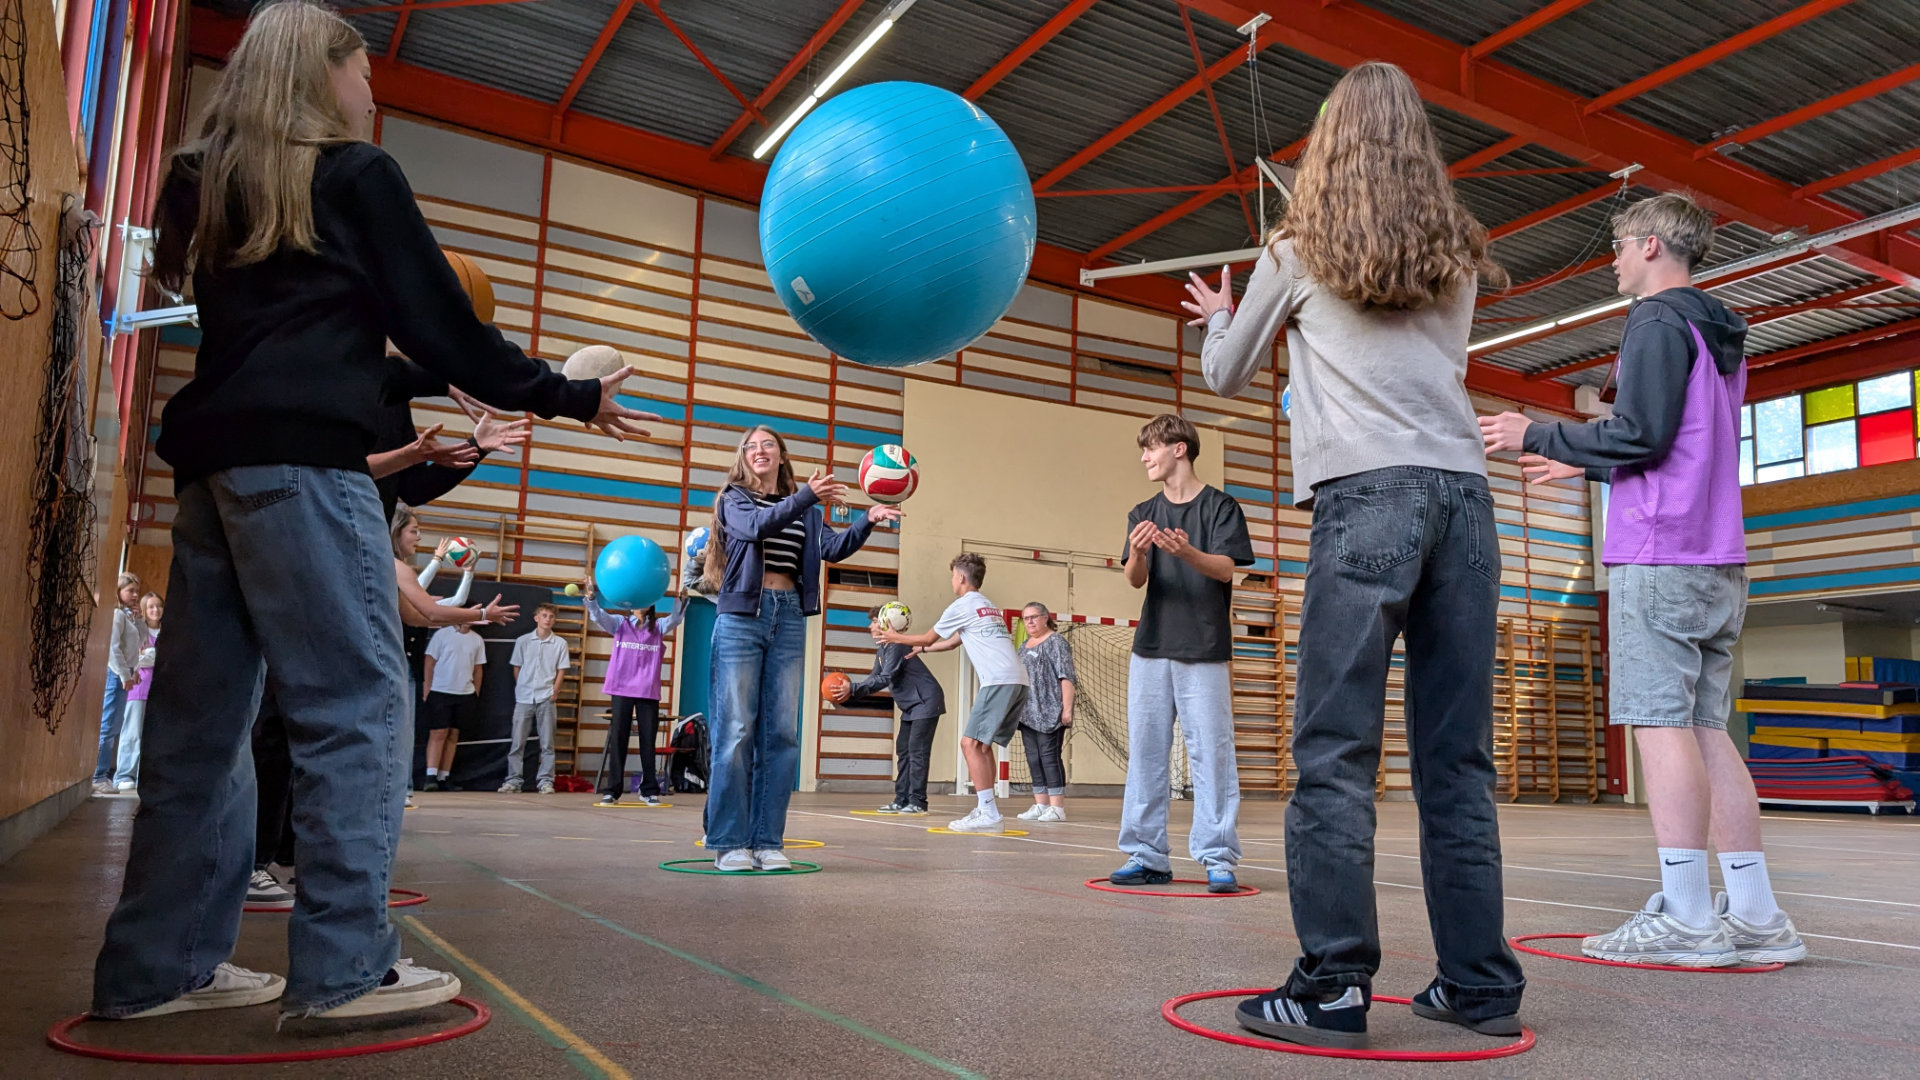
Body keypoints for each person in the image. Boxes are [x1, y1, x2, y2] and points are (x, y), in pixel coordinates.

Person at [92, 1, 650, 1025]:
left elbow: (316, 342)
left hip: (214, 475)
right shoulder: (354, 175)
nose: (370, 94)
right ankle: (345, 968)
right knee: (359, 709)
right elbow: (446, 324)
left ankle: (154, 971)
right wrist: (568, 394)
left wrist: (451, 382)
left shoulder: (213, 182)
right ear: (326, 74)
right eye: (366, 76)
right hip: (307, 474)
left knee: (197, 730)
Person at [1192, 61, 1525, 1048]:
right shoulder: (1457, 254)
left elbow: (1225, 373)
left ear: (1328, 143)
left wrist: (1222, 317)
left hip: (1366, 500)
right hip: (1464, 502)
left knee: (1335, 752)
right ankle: (1479, 986)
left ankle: (1334, 986)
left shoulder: (1297, 249)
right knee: (1457, 761)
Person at [1480, 193, 1803, 967]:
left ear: (1652, 245)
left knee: (1660, 724)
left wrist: (1537, 432)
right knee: (1705, 729)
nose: (1615, 261)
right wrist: (1588, 462)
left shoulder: (1656, 319)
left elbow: (1644, 435)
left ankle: (1688, 915)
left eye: (1621, 247)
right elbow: (1678, 446)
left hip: (1660, 557)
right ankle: (1756, 914)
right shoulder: (1719, 332)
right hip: (1716, 556)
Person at [701, 425, 897, 871]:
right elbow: (755, 527)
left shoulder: (803, 509)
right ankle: (730, 843)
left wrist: (867, 519)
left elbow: (832, 547)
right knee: (736, 731)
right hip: (741, 618)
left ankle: (767, 841)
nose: (759, 450)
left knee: (782, 735)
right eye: (751, 446)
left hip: (788, 615)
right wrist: (807, 495)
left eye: (768, 444)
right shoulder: (734, 499)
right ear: (743, 458)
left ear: (781, 455)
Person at [1105, 415, 1252, 893]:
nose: (1144, 457)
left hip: (1204, 648)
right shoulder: (1142, 512)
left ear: (1179, 449)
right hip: (1151, 648)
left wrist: (1187, 553)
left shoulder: (1221, 507)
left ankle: (1218, 857)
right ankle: (1146, 855)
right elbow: (1135, 580)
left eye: (1151, 448)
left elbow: (1226, 570)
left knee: (1211, 753)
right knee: (1147, 754)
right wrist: (1138, 553)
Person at [878, 553, 1028, 835]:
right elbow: (951, 643)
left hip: (998, 680)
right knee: (982, 746)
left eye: (952, 576)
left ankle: (988, 812)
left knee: (969, 744)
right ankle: (987, 809)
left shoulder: (962, 605)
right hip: (1018, 680)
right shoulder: (987, 606)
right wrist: (922, 650)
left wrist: (895, 637)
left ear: (960, 577)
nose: (951, 581)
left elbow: (929, 636)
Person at [833, 604, 946, 816]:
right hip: (912, 706)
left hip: (926, 702)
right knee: (904, 751)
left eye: (875, 621)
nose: (870, 626)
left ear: (888, 623)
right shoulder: (883, 649)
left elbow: (885, 678)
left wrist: (852, 688)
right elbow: (873, 678)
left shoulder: (897, 646)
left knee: (917, 752)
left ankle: (918, 802)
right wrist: (849, 695)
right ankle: (901, 800)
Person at [584, 583, 684, 805]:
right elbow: (598, 616)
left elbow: (676, 619)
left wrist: (680, 600)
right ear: (630, 605)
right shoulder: (619, 624)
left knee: (648, 741)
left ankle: (649, 790)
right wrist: (591, 598)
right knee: (619, 739)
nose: (641, 604)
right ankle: (613, 790)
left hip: (647, 691)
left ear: (650, 604)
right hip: (621, 689)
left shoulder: (658, 627)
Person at [1014, 602, 1075, 823]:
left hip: (1051, 711)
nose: (1030, 621)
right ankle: (1041, 804)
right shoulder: (1024, 646)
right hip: (1027, 713)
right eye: (1026, 618)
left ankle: (1057, 807)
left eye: (1034, 617)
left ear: (1045, 618)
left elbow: (1066, 676)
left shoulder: (1056, 642)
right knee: (1033, 758)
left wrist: (1067, 709)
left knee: (1049, 757)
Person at [501, 603, 570, 794]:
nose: (548, 619)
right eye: (544, 615)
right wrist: (521, 686)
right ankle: (514, 780)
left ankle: (545, 781)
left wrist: (555, 690)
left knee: (547, 743)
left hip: (546, 696)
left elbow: (561, 670)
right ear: (536, 618)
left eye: (551, 616)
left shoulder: (560, 644)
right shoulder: (523, 641)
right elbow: (517, 666)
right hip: (524, 697)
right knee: (518, 741)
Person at [92, 573, 144, 795]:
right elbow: (112, 649)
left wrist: (139, 619)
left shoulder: (129, 616)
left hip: (127, 671)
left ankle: (102, 774)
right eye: (130, 591)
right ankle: (98, 775)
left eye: (137, 591)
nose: (135, 595)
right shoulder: (117, 615)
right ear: (119, 591)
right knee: (108, 724)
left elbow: (141, 641)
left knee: (115, 725)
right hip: (116, 674)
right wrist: (124, 675)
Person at [109, 594, 165, 794]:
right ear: (144, 609)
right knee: (132, 734)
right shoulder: (139, 630)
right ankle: (125, 775)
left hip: (162, 689)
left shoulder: (168, 632)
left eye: (159, 606)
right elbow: (133, 657)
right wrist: (149, 657)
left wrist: (151, 656)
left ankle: (146, 776)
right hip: (139, 688)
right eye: (151, 607)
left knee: (154, 735)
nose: (155, 610)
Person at [421, 622, 487, 790]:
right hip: (440, 690)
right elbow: (429, 661)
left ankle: (444, 776)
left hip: (465, 692)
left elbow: (478, 668)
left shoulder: (477, 639)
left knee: (453, 734)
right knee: (438, 732)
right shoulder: (442, 635)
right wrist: (427, 688)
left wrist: (475, 692)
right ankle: (430, 776)